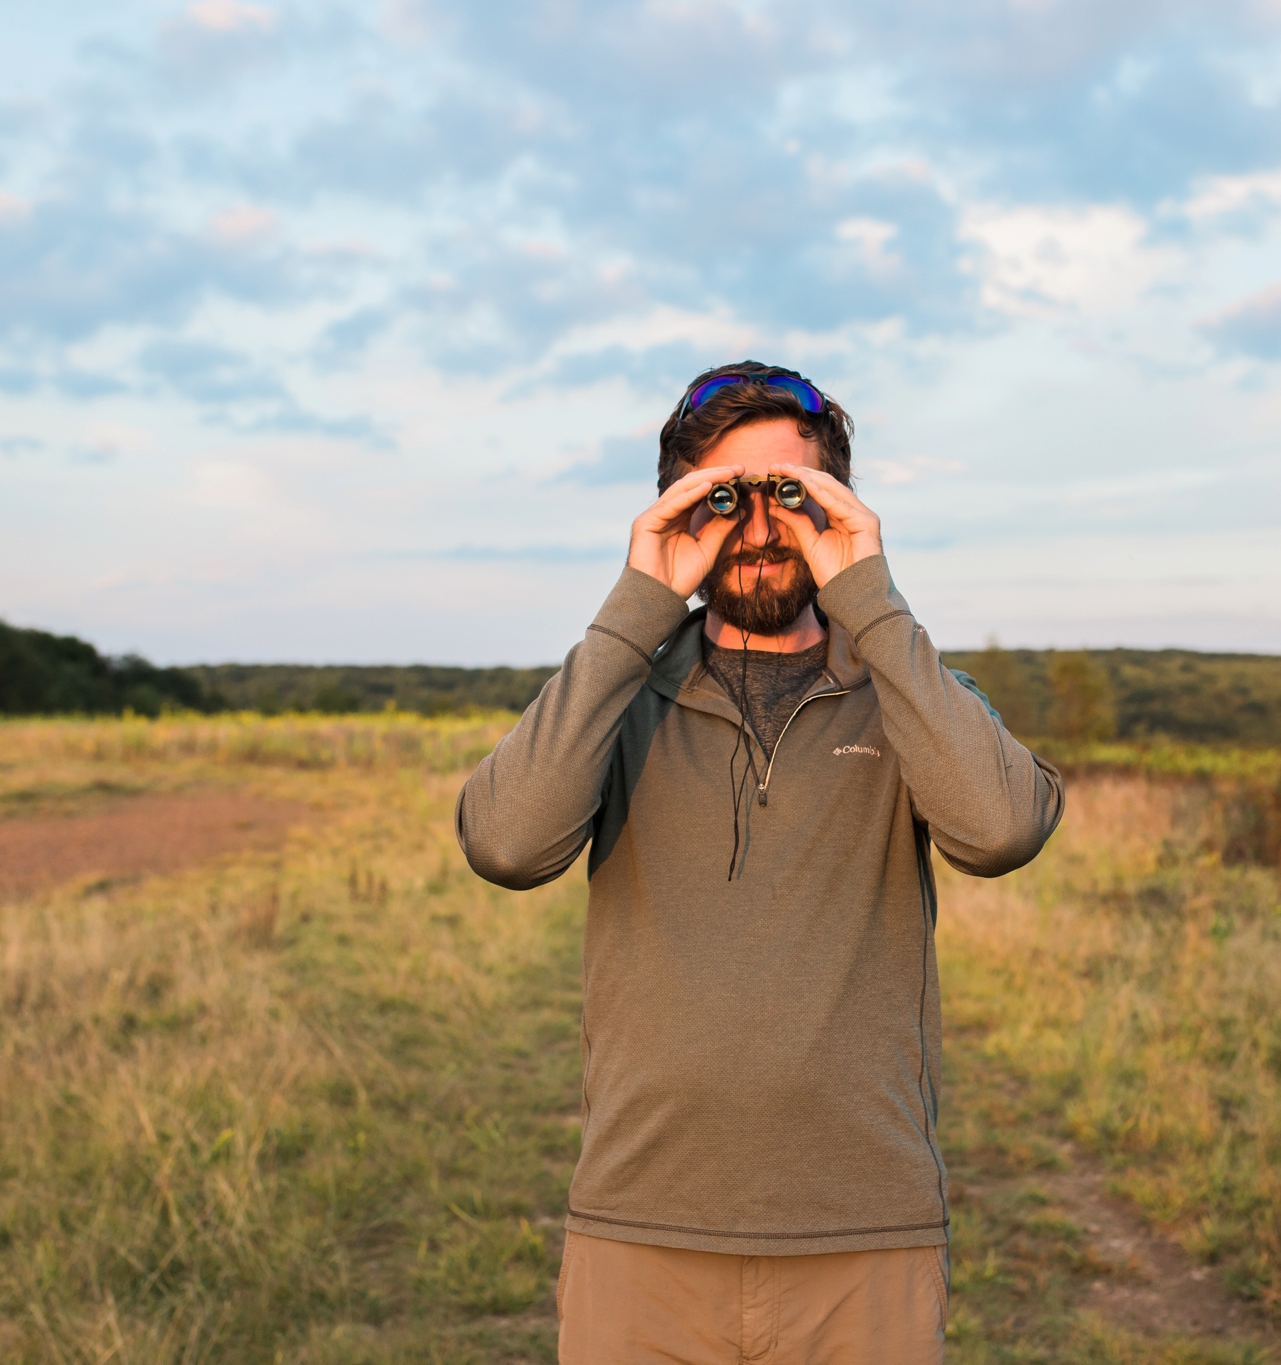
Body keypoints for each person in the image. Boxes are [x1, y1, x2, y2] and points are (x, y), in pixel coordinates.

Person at [455, 361, 1065, 1363]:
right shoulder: (619, 695)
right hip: (640, 1226)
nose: (760, 525)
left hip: (863, 1232)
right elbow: (506, 843)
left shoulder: (907, 691)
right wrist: (638, 601)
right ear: (675, 509)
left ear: (839, 509)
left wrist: (870, 596)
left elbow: (999, 829)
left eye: (791, 495)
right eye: (723, 498)